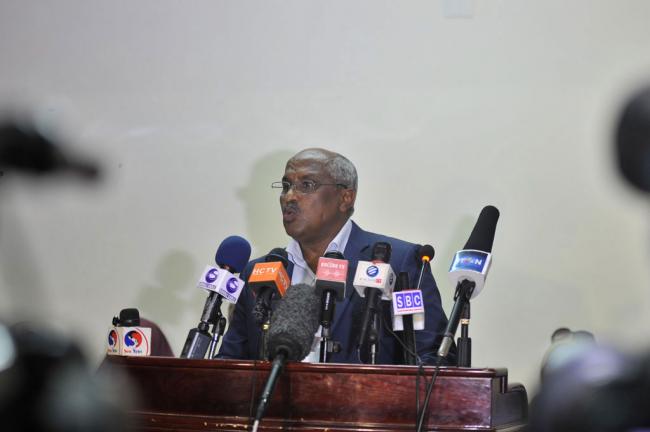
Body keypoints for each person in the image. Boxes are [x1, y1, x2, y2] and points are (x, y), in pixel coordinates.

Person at [218, 148, 453, 364]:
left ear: (345, 198)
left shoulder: (399, 262)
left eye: (306, 185)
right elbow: (230, 362)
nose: (289, 196)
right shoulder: (258, 272)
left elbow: (433, 359)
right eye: (286, 186)